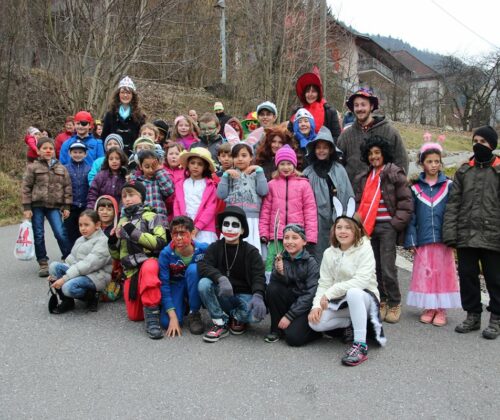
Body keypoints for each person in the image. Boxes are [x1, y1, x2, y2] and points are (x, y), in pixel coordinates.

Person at [308, 198, 386, 367]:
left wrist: (331, 293)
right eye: (339, 227)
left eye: (348, 227)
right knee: (315, 323)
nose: (342, 231)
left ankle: (360, 345)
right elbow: (324, 283)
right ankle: (351, 323)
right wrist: (316, 306)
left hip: (365, 298)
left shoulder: (365, 247)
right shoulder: (329, 253)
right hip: (341, 302)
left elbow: (361, 281)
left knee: (354, 292)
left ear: (357, 229)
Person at [443, 125, 500, 339]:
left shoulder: (498, 171)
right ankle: (472, 315)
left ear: (492, 145)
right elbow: (453, 204)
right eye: (475, 141)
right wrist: (450, 234)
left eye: (482, 142)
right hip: (466, 235)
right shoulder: (464, 171)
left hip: (493, 236)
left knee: (495, 279)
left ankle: (496, 318)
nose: (478, 145)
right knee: (467, 277)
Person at [355, 136, 413, 323]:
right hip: (369, 228)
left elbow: (406, 202)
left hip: (387, 226)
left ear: (384, 154)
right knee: (375, 267)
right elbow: (359, 202)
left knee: (388, 267)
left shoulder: (394, 173)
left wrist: (395, 224)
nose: (373, 156)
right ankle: (382, 300)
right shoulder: (365, 177)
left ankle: (395, 302)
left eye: (377, 153)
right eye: (370, 153)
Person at [404, 140, 460, 326]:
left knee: (443, 274)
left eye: (437, 161)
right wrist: (411, 239)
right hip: (424, 240)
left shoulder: (449, 186)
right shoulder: (415, 189)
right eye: (429, 161)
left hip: (444, 240)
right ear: (422, 163)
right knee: (426, 274)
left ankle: (441, 309)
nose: (434, 165)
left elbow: (454, 212)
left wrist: (453, 237)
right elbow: (411, 217)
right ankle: (429, 307)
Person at [108, 181, 167, 339]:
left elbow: (160, 243)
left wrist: (133, 232)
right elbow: (116, 256)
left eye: (131, 195)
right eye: (124, 196)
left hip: (149, 262)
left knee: (149, 268)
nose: (127, 199)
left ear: (141, 197)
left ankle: (153, 319)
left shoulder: (152, 216)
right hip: (131, 270)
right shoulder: (121, 220)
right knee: (134, 316)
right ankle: (155, 304)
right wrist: (112, 242)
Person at [198, 206, 267, 342]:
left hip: (244, 296)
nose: (229, 229)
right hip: (223, 295)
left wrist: (258, 295)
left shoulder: (251, 252)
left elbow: (258, 276)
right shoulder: (215, 247)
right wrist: (221, 278)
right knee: (204, 284)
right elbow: (203, 265)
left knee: (256, 316)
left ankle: (235, 317)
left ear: (242, 230)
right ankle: (220, 322)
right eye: (226, 224)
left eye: (235, 225)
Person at [259, 145, 318, 278]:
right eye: (282, 164)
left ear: (294, 165)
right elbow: (266, 211)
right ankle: (269, 284)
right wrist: (264, 233)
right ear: (277, 165)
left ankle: (296, 285)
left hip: (296, 235)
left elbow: (310, 211)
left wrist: (310, 235)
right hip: (276, 236)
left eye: (289, 164)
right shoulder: (271, 185)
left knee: (295, 263)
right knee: (272, 262)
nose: (286, 167)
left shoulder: (304, 184)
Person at [337, 88, 409, 190]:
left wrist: (395, 185)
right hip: (353, 193)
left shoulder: (389, 132)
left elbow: (401, 161)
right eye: (356, 105)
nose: (359, 108)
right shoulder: (345, 136)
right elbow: (338, 165)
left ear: (371, 106)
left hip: (382, 193)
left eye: (363, 104)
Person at [21, 137, 72, 277]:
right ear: (38, 151)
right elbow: (26, 188)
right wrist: (27, 207)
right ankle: (42, 262)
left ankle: (68, 258)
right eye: (44, 148)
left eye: (50, 148)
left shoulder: (61, 168)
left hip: (54, 206)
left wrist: (66, 206)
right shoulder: (32, 167)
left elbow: (67, 188)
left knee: (60, 232)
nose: (48, 151)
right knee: (38, 234)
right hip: (36, 206)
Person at [303, 126, 353, 264]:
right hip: (315, 221)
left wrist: (344, 218)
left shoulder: (339, 170)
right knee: (316, 254)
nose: (321, 150)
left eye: (325, 147)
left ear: (331, 149)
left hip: (335, 219)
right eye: (318, 147)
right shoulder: (308, 173)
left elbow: (347, 194)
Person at [265, 224, 321, 346]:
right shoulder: (280, 258)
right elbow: (273, 290)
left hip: (303, 306)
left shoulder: (310, 262)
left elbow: (310, 293)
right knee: (272, 289)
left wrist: (290, 316)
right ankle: (276, 329)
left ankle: (317, 331)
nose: (289, 241)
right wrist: (279, 273)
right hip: (288, 300)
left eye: (295, 237)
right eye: (286, 238)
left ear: (304, 241)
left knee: (293, 339)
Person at [48, 210, 112, 313]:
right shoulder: (80, 239)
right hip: (81, 272)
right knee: (54, 266)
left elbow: (88, 265)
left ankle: (91, 296)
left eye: (86, 225)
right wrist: (55, 276)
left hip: (96, 276)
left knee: (67, 288)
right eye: (80, 225)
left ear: (97, 225)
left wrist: (64, 278)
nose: (83, 228)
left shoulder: (103, 241)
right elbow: (71, 260)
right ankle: (67, 301)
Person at [159, 216, 208, 336]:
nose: (179, 238)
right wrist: (172, 316)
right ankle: (182, 303)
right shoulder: (165, 254)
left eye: (182, 233)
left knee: (194, 269)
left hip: (194, 285)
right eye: (175, 234)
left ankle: (194, 313)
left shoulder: (203, 249)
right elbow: (164, 285)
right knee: (166, 323)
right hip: (176, 285)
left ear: (192, 233)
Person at [217, 143, 268, 252]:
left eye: (244, 155)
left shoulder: (256, 174)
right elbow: (221, 195)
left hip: (252, 219)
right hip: (232, 218)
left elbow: (263, 191)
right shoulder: (230, 175)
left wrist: (259, 171)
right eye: (236, 156)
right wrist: (225, 176)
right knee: (231, 251)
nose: (240, 159)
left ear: (251, 157)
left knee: (250, 251)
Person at [174, 147, 218, 244]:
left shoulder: (210, 185)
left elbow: (210, 209)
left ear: (205, 167)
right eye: (192, 163)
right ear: (188, 164)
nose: (195, 166)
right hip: (184, 228)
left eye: (200, 164)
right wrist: (180, 225)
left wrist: (197, 227)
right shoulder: (181, 184)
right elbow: (177, 206)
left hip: (205, 229)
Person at [289, 67, 341, 139]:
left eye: (313, 91)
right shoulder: (297, 112)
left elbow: (336, 136)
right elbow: (289, 134)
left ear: (318, 93)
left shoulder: (329, 112)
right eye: (307, 91)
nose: (310, 94)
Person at [101, 76, 146, 156]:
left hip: (132, 156)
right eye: (122, 92)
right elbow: (104, 136)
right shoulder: (110, 114)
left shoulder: (139, 116)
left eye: (128, 93)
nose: (125, 95)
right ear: (118, 94)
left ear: (133, 95)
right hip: (114, 156)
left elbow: (141, 138)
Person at [130, 149, 174, 225]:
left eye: (154, 167)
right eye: (147, 167)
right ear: (140, 166)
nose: (151, 170)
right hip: (141, 221)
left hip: (160, 220)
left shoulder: (161, 178)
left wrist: (158, 170)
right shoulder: (137, 182)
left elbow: (169, 190)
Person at [63, 140, 91, 248]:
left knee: (84, 231)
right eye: (75, 152)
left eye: (80, 152)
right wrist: (64, 206)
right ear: (70, 153)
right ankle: (71, 253)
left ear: (85, 154)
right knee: (70, 232)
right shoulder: (65, 169)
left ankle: (83, 252)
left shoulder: (89, 168)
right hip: (71, 206)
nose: (77, 154)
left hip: (85, 206)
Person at [163, 142, 184, 223]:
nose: (173, 156)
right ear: (166, 156)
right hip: (165, 209)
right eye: (171, 154)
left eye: (177, 154)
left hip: (180, 208)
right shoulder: (161, 170)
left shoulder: (186, 171)